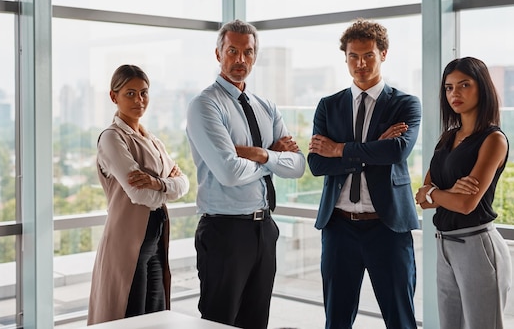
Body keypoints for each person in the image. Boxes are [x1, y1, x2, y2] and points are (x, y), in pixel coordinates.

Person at [186, 19, 306, 329]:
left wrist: (260, 153)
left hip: (264, 228)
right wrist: (274, 157)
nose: (241, 60)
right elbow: (228, 171)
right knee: (219, 322)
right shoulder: (206, 105)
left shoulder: (266, 106)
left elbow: (299, 165)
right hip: (225, 232)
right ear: (218, 54)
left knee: (256, 322)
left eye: (248, 52)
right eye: (233, 51)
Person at [307, 18, 421, 329]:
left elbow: (397, 152)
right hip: (338, 228)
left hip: (388, 228)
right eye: (353, 56)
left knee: (400, 318)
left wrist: (340, 149)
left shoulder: (405, 104)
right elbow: (317, 164)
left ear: (383, 53)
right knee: (337, 321)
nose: (360, 64)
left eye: (368, 55)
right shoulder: (328, 106)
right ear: (345, 58)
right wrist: (371, 150)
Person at [87, 64, 189, 324]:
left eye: (144, 93)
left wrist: (158, 184)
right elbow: (139, 196)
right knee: (128, 318)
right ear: (114, 97)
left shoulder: (152, 138)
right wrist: (166, 183)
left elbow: (185, 184)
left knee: (155, 318)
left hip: (154, 244)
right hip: (127, 244)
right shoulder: (112, 138)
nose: (139, 100)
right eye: (130, 93)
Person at [415, 57, 511, 329]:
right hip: (444, 246)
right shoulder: (447, 138)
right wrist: (441, 193)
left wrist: (435, 192)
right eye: (448, 87)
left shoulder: (493, 139)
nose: (454, 93)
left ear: (482, 88)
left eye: (464, 85)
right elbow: (421, 199)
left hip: (477, 247)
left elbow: (467, 203)